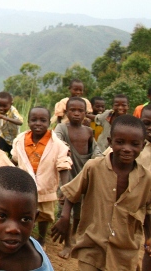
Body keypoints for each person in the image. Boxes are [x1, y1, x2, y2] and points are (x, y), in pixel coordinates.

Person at [52, 115, 151, 271]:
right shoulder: (94, 167)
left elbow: (148, 212)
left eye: (134, 144)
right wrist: (65, 218)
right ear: (110, 142)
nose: (126, 148)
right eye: (120, 142)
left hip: (124, 253)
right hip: (91, 248)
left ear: (143, 145)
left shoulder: (146, 179)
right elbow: (72, 193)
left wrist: (149, 238)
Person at [11, 106, 72, 248]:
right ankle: (24, 238)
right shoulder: (20, 140)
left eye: (42, 120)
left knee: (45, 215)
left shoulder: (57, 144)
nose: (38, 123)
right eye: (34, 120)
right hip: (23, 187)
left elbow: (64, 164)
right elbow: (14, 159)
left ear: (49, 123)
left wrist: (64, 187)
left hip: (46, 188)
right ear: (28, 121)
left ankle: (41, 239)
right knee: (23, 213)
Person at [53, 97, 102, 259]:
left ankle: (74, 235)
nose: (76, 113)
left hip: (83, 175)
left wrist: (97, 160)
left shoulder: (88, 131)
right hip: (67, 174)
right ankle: (67, 243)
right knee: (65, 211)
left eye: (80, 111)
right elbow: (57, 142)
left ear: (86, 113)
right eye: (72, 110)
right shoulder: (62, 128)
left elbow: (95, 151)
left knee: (79, 211)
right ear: (66, 112)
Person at [0, 91, 23, 156]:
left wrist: (6, 118)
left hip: (14, 140)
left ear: (11, 103)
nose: (1, 108)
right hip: (3, 137)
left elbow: (20, 122)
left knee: (14, 157)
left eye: (4, 106)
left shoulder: (13, 111)